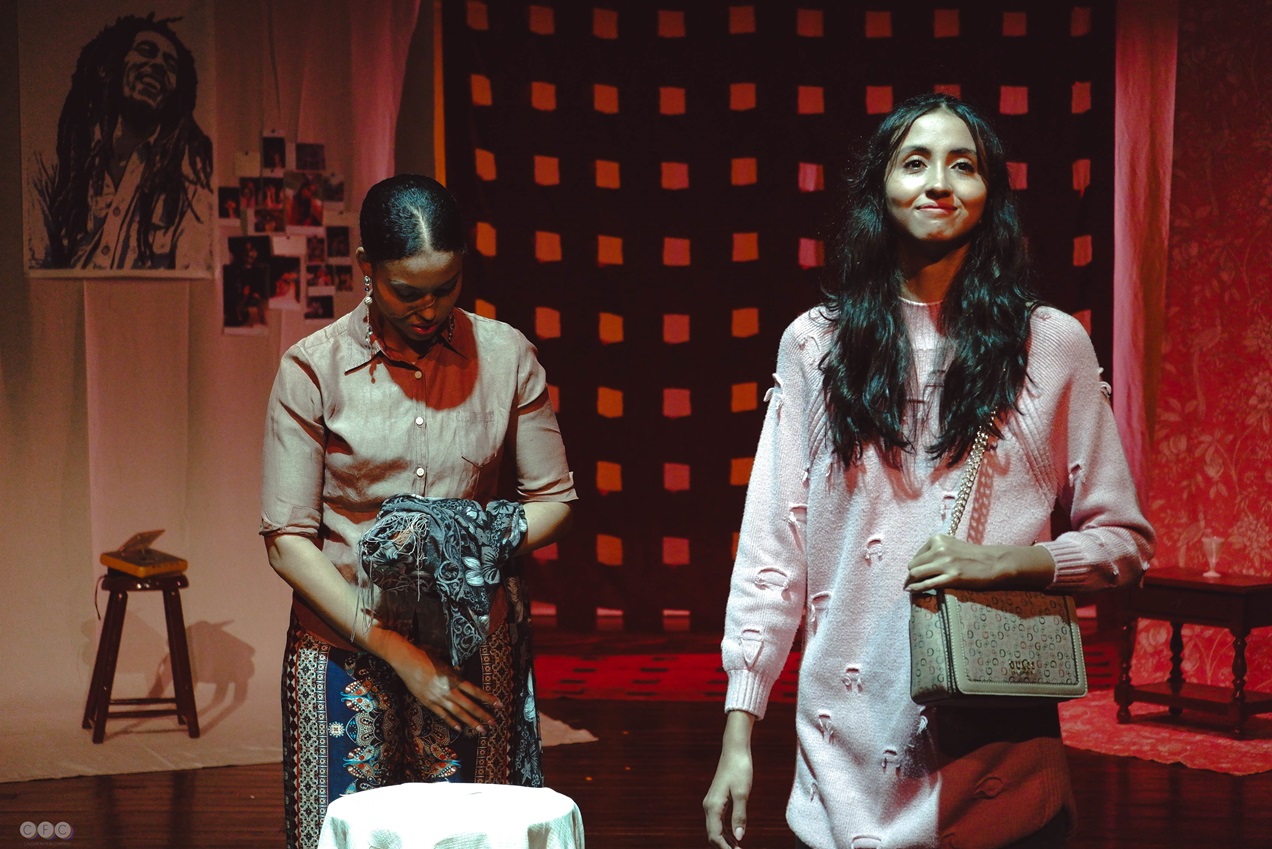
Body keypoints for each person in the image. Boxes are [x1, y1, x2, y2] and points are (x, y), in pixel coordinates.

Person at [702, 93, 1154, 849]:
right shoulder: (816, 345)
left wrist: (1008, 562)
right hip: (842, 759)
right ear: (880, 185)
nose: (939, 182)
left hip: (998, 754)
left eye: (962, 165)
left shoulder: (1050, 344)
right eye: (915, 162)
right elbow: (772, 551)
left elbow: (1124, 540)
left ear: (989, 192)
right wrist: (738, 731)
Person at [260, 174, 577, 849]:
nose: (429, 309)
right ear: (366, 268)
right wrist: (399, 653)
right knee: (341, 833)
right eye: (407, 291)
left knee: (468, 835)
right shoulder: (312, 369)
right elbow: (287, 540)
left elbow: (554, 501)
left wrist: (470, 536)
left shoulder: (506, 356)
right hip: (343, 639)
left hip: (469, 638)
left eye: (446, 287)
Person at [32, 14, 213, 270]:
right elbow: (36, 268)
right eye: (146, 51)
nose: (159, 65)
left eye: (170, 64)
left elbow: (193, 274)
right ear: (108, 67)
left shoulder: (190, 184)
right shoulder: (57, 163)